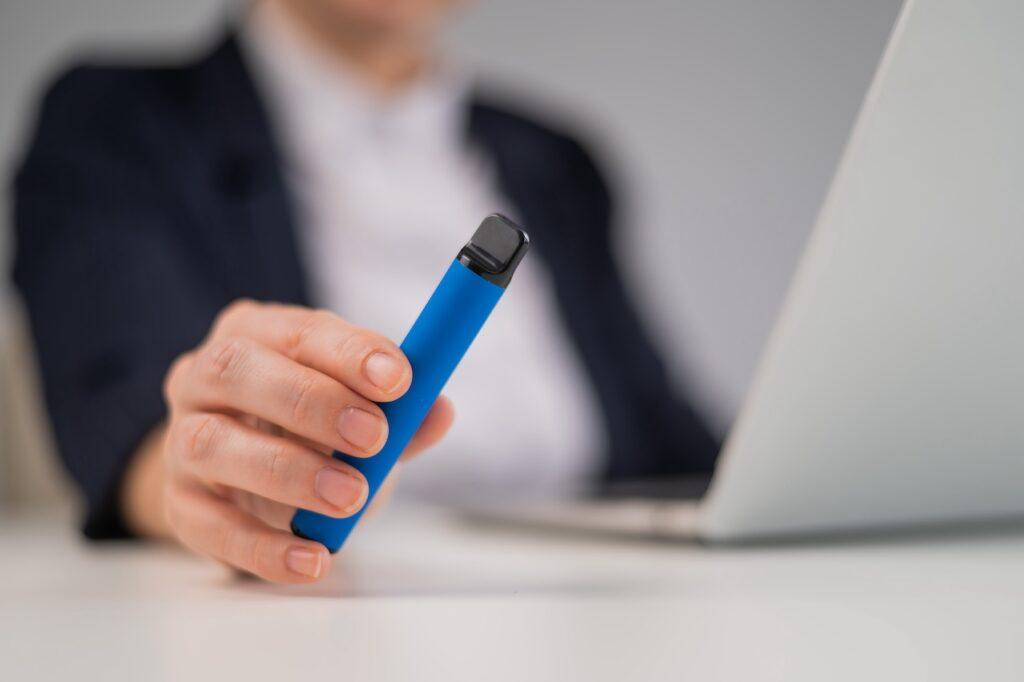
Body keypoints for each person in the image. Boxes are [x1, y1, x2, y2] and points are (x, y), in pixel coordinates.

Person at [11, 0, 719, 583]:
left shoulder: (556, 158)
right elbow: (122, 404)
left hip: (584, 615)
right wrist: (220, 471)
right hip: (318, 623)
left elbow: (670, 436)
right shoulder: (118, 121)